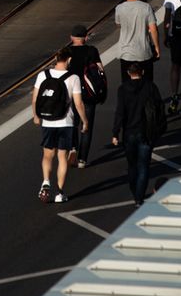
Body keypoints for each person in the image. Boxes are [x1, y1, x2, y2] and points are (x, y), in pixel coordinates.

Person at [32, 48, 88, 203]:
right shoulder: (74, 78)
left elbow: (35, 99)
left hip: (48, 121)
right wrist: (85, 120)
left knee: (47, 155)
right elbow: (78, 103)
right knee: (62, 157)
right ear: (69, 60)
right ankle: (59, 193)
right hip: (66, 122)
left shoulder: (43, 75)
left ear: (56, 58)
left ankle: (45, 181)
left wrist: (36, 116)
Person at [111, 61, 159, 206]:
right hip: (146, 131)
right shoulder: (150, 87)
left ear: (128, 73)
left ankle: (134, 191)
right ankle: (139, 197)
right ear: (142, 72)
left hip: (129, 133)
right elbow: (158, 107)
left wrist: (115, 132)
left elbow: (120, 112)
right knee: (144, 166)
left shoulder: (123, 89)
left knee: (132, 165)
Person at [66, 24, 104, 169]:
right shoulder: (92, 50)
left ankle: (73, 148)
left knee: (72, 124)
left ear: (71, 37)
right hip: (89, 93)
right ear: (86, 37)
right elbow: (100, 69)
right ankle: (82, 159)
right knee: (87, 126)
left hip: (72, 95)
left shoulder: (67, 51)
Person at [115, 0, 160, 81]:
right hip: (143, 52)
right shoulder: (146, 7)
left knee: (127, 84)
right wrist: (157, 47)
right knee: (147, 83)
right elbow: (153, 29)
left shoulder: (119, 8)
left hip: (125, 53)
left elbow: (118, 25)